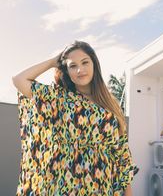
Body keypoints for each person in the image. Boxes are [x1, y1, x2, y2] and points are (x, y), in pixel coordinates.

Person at [12, 40, 138, 196]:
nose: (80, 70)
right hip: (66, 186)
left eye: (85, 62)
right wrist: (52, 61)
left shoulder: (110, 104)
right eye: (73, 66)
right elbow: (19, 80)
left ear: (94, 64)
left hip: (103, 186)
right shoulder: (58, 99)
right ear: (66, 70)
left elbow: (122, 156)